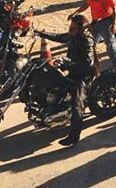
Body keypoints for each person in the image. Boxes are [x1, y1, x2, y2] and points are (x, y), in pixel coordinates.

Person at [38, 14, 96, 146]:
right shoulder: (74, 36)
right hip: (73, 70)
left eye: (73, 28)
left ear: (81, 29)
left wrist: (68, 63)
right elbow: (61, 37)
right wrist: (42, 34)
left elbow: (87, 63)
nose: (70, 30)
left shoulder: (87, 41)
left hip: (83, 76)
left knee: (77, 104)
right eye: (70, 28)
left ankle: (74, 136)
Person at [69, 0, 116, 70]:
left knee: (109, 43)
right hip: (95, 22)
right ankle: (92, 64)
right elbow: (88, 3)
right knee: (91, 42)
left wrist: (114, 24)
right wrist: (76, 12)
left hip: (106, 21)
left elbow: (114, 7)